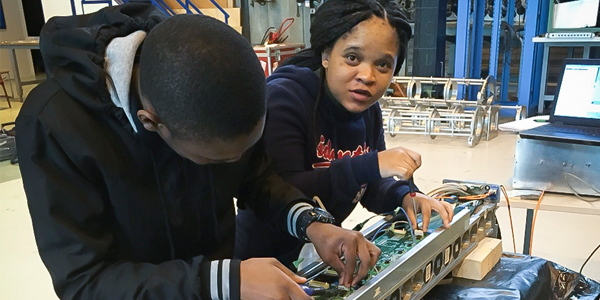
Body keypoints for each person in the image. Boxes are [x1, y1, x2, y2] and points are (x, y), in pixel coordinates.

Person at [16, 3, 380, 299]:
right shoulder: (56, 123)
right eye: (218, 160)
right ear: (151, 123)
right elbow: (84, 281)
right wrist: (223, 281)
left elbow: (256, 177)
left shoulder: (211, 70)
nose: (234, 164)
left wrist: (312, 223)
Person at [235, 0, 455, 267]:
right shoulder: (285, 98)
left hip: (322, 258)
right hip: (262, 263)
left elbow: (369, 187)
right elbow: (281, 192)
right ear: (326, 55)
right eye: (352, 58)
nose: (367, 75)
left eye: (383, 65)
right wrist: (369, 164)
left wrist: (405, 196)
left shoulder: (367, 110)